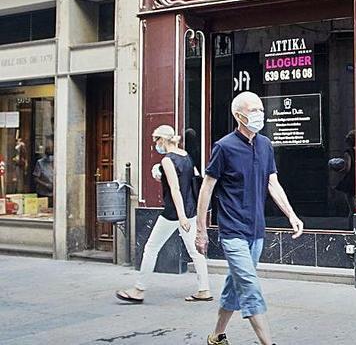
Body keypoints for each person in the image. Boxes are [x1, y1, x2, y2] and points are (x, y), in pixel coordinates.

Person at [196, 91, 304, 345]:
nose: (259, 115)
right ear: (238, 115)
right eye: (253, 110)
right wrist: (201, 230)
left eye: (260, 110)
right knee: (249, 286)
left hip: (256, 231)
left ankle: (217, 336)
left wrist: (292, 214)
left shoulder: (265, 144)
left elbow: (272, 183)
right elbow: (207, 188)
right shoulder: (224, 147)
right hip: (232, 231)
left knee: (235, 284)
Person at [116, 125, 212, 304]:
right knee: (195, 251)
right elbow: (191, 179)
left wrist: (181, 216)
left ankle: (139, 289)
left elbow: (175, 189)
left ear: (162, 139)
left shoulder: (168, 160)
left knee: (151, 248)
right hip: (189, 208)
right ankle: (204, 289)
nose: (155, 144)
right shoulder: (185, 155)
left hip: (174, 212)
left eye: (155, 140)